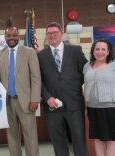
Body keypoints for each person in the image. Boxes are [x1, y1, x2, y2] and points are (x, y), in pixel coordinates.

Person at [38, 22, 88, 156]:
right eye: (49, 33)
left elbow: (85, 73)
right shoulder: (40, 56)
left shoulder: (75, 50)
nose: (52, 35)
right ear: (46, 36)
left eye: (55, 32)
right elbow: (38, 80)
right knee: (58, 141)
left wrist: (73, 87)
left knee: (79, 140)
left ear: (61, 34)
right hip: (52, 106)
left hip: (74, 104)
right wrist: (47, 97)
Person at [0, 23, 41, 156]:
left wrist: (35, 99)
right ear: (5, 37)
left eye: (14, 35)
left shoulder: (29, 52)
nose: (11, 38)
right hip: (7, 102)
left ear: (18, 36)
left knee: (30, 136)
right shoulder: (0, 54)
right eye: (8, 35)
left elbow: (36, 77)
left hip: (26, 102)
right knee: (12, 136)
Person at [83, 38, 115, 156]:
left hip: (111, 108)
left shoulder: (113, 65)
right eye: (97, 49)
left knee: (112, 140)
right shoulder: (87, 66)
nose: (100, 52)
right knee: (97, 138)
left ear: (108, 52)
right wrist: (86, 107)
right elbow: (86, 86)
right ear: (92, 51)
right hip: (93, 108)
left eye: (103, 49)